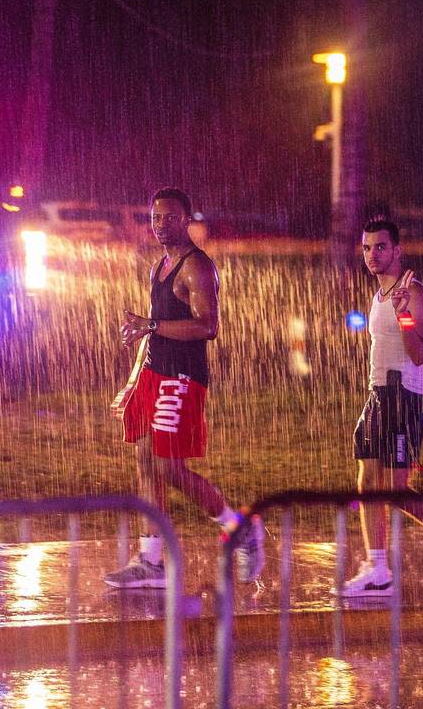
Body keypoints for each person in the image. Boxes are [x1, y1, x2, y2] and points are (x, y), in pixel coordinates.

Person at [105, 187, 265, 589]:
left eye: (170, 217)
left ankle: (239, 527)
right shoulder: (160, 265)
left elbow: (207, 326)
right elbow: (151, 329)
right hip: (154, 373)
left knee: (168, 468)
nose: (161, 225)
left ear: (187, 219)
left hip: (182, 378)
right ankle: (151, 561)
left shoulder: (197, 267)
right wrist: (132, 381)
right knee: (146, 462)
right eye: (156, 217)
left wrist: (151, 326)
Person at [337, 218, 423, 597]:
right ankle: (378, 569)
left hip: (406, 396)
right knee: (368, 482)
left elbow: (418, 354)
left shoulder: (413, 291)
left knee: (397, 490)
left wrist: (403, 312)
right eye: (367, 248)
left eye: (380, 247)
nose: (372, 255)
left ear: (397, 251)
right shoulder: (378, 294)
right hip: (378, 394)